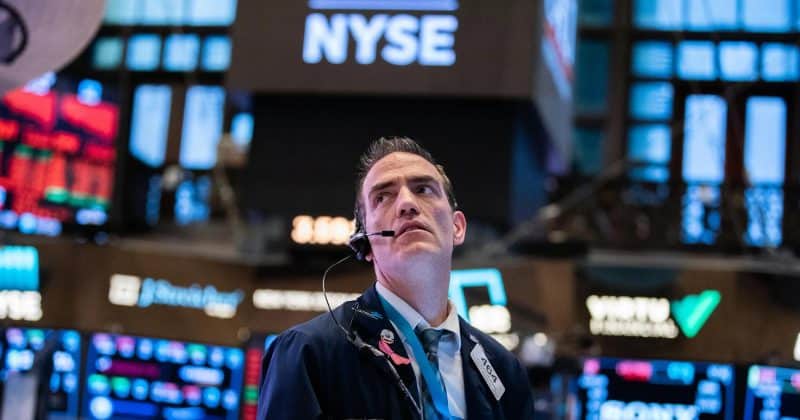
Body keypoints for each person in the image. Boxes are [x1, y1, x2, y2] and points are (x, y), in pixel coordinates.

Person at [257, 137, 535, 419]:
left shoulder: (505, 372)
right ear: (364, 242)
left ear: (457, 227)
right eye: (383, 196)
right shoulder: (309, 353)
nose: (407, 204)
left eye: (423, 189)